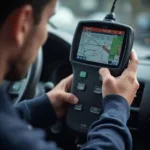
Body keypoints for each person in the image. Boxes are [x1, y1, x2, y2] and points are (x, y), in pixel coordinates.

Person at [0, 0, 139, 150]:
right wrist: (117, 107)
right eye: (47, 21)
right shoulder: (15, 141)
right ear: (23, 23)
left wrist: (40, 109)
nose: (45, 35)